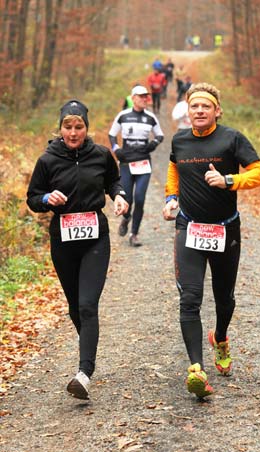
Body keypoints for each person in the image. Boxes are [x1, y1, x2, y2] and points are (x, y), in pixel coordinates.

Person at [163, 82, 260, 399]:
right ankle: (197, 370)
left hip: (225, 230)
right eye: (194, 106)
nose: (199, 111)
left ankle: (220, 338)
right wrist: (171, 197)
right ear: (188, 110)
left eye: (205, 106)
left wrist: (229, 180)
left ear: (216, 111)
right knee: (190, 298)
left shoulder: (231, 138)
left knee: (225, 298)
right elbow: (173, 169)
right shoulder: (180, 140)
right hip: (189, 229)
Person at [26, 100, 128, 400]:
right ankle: (89, 346)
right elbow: (32, 197)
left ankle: (84, 373)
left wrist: (119, 196)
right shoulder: (47, 160)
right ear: (60, 129)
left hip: (95, 236)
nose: (73, 132)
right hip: (63, 238)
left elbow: (113, 180)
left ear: (87, 128)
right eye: (68, 127)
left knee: (87, 304)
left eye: (79, 127)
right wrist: (46, 199)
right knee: (74, 306)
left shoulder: (100, 154)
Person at [108, 85, 164, 246]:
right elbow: (112, 134)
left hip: (144, 162)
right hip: (126, 162)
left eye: (146, 96)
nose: (144, 99)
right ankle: (126, 218)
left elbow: (160, 135)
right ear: (133, 98)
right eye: (141, 96)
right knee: (128, 199)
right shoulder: (123, 115)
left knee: (139, 198)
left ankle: (134, 234)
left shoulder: (151, 117)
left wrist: (152, 145)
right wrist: (116, 149)